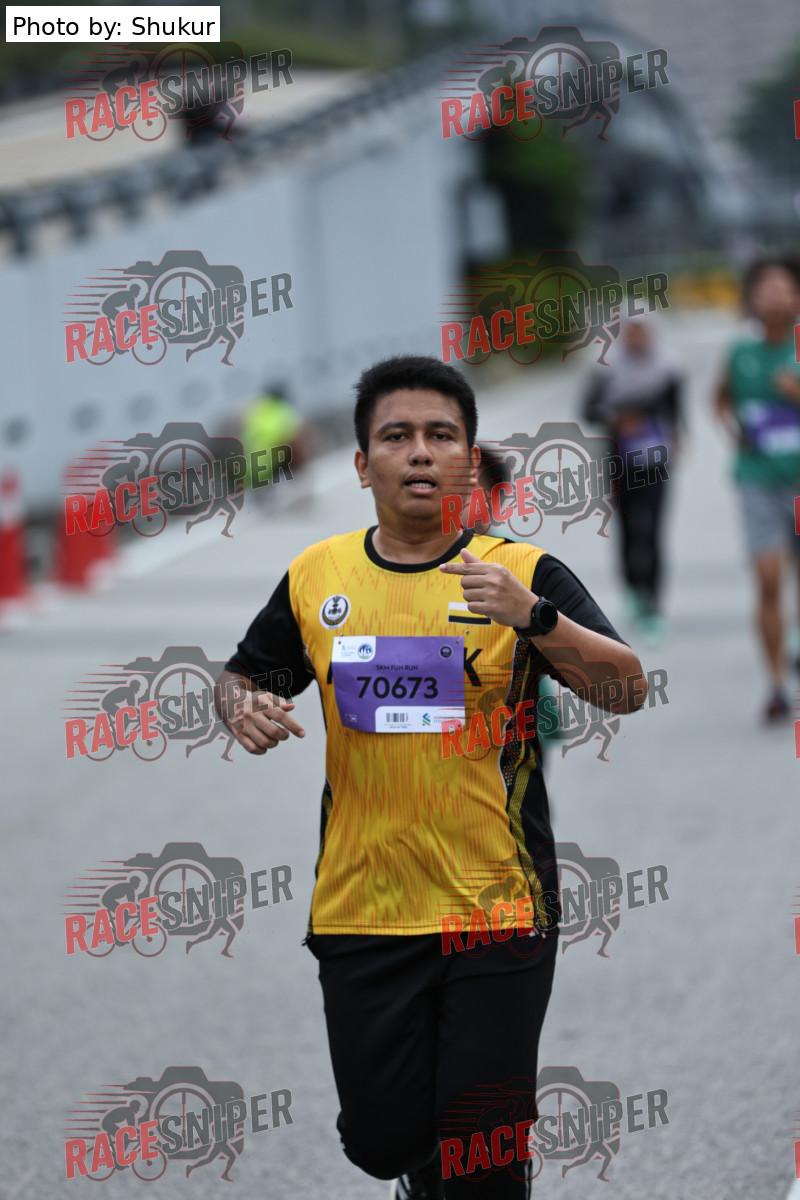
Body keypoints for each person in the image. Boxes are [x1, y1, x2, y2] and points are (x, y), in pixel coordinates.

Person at [215, 355, 647, 1198]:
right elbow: (243, 677)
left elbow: (626, 688)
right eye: (397, 436)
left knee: (485, 1161)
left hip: (498, 905)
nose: (419, 451)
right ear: (360, 464)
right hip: (364, 906)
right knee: (385, 1141)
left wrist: (536, 619)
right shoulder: (316, 576)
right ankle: (414, 1172)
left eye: (441, 435)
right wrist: (240, 706)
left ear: (469, 460)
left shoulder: (522, 573)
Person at [713, 258, 800, 722]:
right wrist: (733, 430)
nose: (774, 295)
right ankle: (776, 684)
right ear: (752, 298)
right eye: (765, 288)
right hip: (758, 479)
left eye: (783, 287)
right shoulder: (740, 351)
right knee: (768, 578)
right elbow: (719, 398)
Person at [583, 315, 683, 642]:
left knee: (652, 531)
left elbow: (675, 411)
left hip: (656, 462)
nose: (638, 337)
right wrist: (617, 418)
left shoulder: (667, 367)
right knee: (628, 529)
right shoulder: (607, 369)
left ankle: (653, 604)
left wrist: (679, 438)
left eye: (643, 331)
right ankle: (632, 590)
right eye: (632, 331)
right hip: (620, 462)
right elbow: (588, 410)